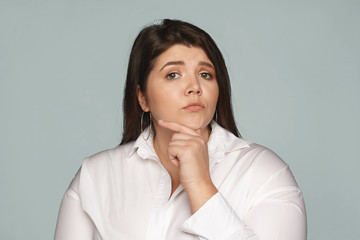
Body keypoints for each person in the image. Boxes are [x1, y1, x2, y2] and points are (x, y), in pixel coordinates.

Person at [54, 19, 307, 240]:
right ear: (142, 98)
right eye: (173, 74)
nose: (194, 87)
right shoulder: (94, 176)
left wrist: (200, 185)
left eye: (206, 74)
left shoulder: (264, 173)